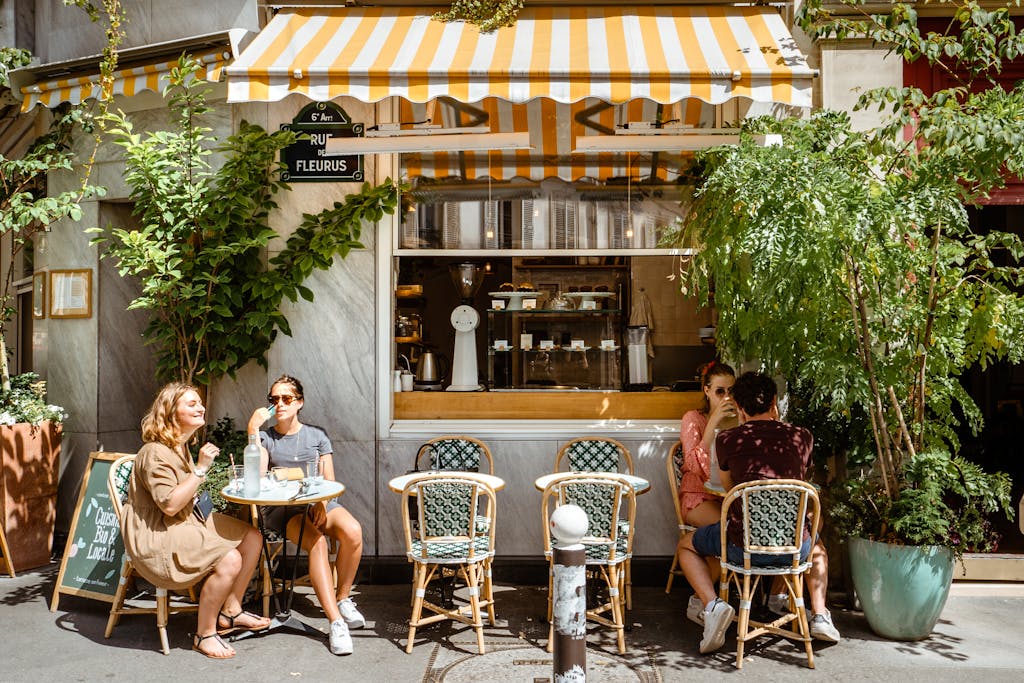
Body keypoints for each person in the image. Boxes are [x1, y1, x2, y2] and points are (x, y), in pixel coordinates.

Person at [678, 371, 840, 654]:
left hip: (742, 548)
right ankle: (819, 615)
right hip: (794, 549)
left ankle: (713, 605)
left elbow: (731, 492)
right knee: (817, 546)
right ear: (774, 402)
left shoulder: (728, 439)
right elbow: (801, 481)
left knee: (686, 547)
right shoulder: (802, 436)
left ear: (739, 408)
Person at [122, 383, 270, 660]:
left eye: (200, 402)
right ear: (170, 412)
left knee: (252, 537)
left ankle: (231, 611)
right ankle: (205, 633)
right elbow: (169, 505)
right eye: (191, 404)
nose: (201, 407)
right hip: (157, 534)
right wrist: (201, 469)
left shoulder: (179, 446)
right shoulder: (155, 452)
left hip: (185, 519)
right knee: (230, 560)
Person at [249, 375, 365, 656]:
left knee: (353, 531)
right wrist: (253, 429)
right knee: (318, 542)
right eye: (274, 399)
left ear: (300, 402)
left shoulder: (317, 436)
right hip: (283, 510)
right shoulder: (266, 438)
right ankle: (335, 623)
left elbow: (330, 480)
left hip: (317, 502)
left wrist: (323, 504)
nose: (279, 404)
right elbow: (257, 478)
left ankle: (343, 598)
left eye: (286, 398)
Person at [678, 361, 737, 527]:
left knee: (749, 527)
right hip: (699, 495)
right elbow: (693, 466)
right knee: (730, 528)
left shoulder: (740, 421)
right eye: (720, 391)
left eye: (731, 391)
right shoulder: (693, 419)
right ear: (707, 391)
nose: (727, 397)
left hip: (732, 495)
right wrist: (713, 422)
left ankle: (698, 552)